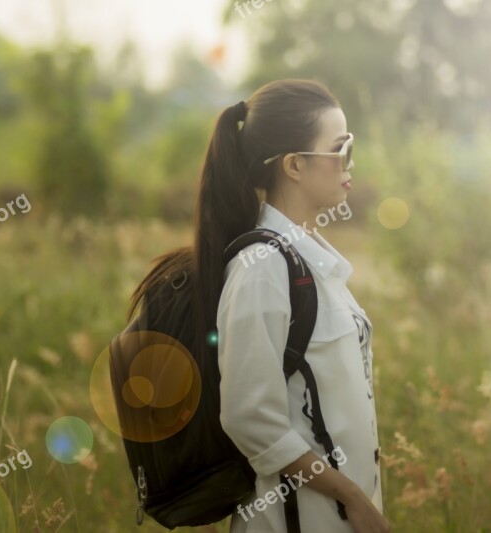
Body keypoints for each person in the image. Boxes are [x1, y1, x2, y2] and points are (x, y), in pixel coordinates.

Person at [179, 78, 388, 533]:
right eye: (341, 148)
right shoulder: (262, 269)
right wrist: (352, 497)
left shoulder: (310, 259)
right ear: (294, 165)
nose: (351, 163)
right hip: (296, 520)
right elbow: (251, 417)